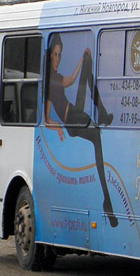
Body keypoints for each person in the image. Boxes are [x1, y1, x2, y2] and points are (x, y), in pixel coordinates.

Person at [44, 33, 118, 227]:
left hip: (73, 115)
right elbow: (46, 118)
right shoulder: (52, 80)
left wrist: (82, 59)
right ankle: (107, 200)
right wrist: (58, 125)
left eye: (60, 54)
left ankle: (107, 201)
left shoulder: (54, 79)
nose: (58, 59)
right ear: (50, 55)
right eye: (56, 54)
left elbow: (72, 80)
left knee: (97, 139)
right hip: (73, 120)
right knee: (97, 138)